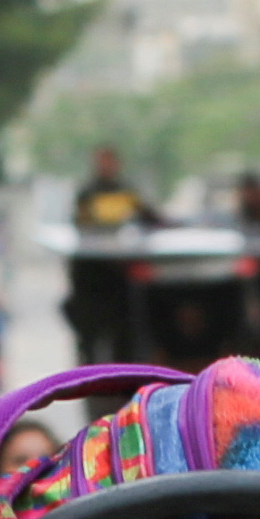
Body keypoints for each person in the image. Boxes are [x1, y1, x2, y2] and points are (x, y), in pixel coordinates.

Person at [65, 146, 154, 364]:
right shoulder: (87, 193)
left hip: (119, 272)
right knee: (89, 334)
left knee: (124, 331)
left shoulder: (126, 191)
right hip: (91, 275)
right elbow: (81, 226)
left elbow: (149, 216)